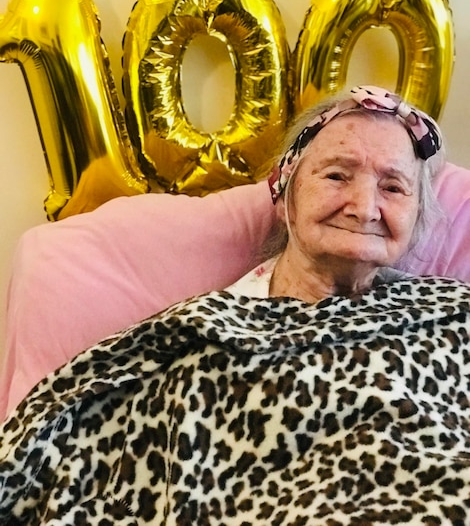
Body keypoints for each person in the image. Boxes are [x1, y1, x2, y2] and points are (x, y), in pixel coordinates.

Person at [1, 85, 470, 525]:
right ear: (284, 189)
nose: (364, 207)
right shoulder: (193, 338)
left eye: (393, 188)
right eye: (336, 175)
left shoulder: (452, 316)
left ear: (417, 216)